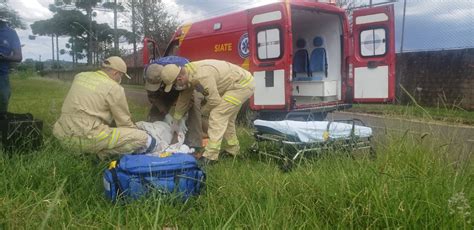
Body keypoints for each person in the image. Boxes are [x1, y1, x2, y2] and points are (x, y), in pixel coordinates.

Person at [53, 56, 157, 159]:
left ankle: (88, 152)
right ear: (116, 73)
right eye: (121, 76)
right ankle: (99, 156)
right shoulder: (114, 87)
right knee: (142, 138)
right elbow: (124, 123)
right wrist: (137, 131)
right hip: (85, 137)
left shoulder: (79, 76)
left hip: (62, 135)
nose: (120, 79)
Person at [160, 59, 255, 164]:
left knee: (217, 114)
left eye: (174, 85)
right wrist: (175, 121)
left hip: (242, 85)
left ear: (179, 78)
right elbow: (183, 100)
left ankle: (210, 156)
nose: (175, 87)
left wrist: (202, 111)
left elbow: (214, 101)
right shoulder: (189, 72)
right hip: (236, 85)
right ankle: (232, 150)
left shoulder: (202, 75)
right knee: (227, 119)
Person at [144, 56, 204, 150]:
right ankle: (151, 135)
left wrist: (182, 118)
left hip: (185, 85)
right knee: (156, 111)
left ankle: (194, 143)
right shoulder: (150, 71)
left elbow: (188, 98)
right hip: (168, 86)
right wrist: (166, 114)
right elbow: (153, 96)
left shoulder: (179, 71)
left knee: (194, 105)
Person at [0, 11, 22, 117]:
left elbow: (18, 57)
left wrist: (5, 58)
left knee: (3, 101)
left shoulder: (11, 33)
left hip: (2, 75)